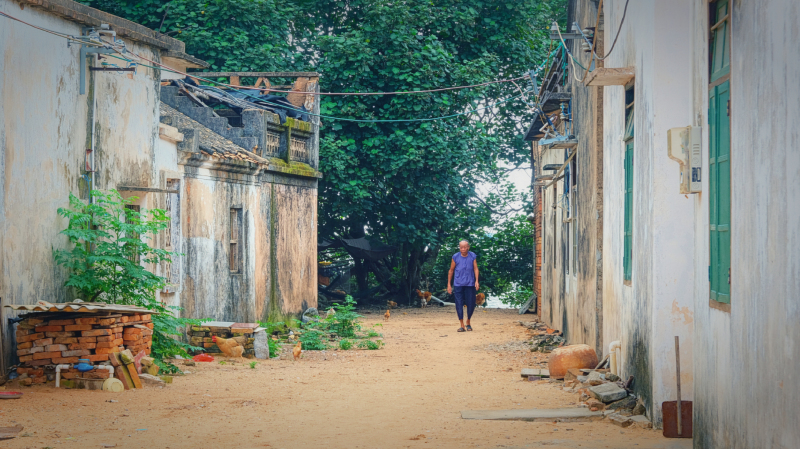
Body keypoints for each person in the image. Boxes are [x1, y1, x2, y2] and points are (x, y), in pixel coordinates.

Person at [447, 240, 479, 332]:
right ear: (459, 248)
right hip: (458, 283)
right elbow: (451, 270)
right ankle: (461, 324)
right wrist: (449, 284)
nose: (463, 249)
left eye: (465, 247)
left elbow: (475, 268)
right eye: (461, 247)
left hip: (470, 283)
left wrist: (477, 281)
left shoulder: (472, 256)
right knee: (459, 303)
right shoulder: (455, 257)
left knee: (471, 303)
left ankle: (468, 321)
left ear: (468, 247)